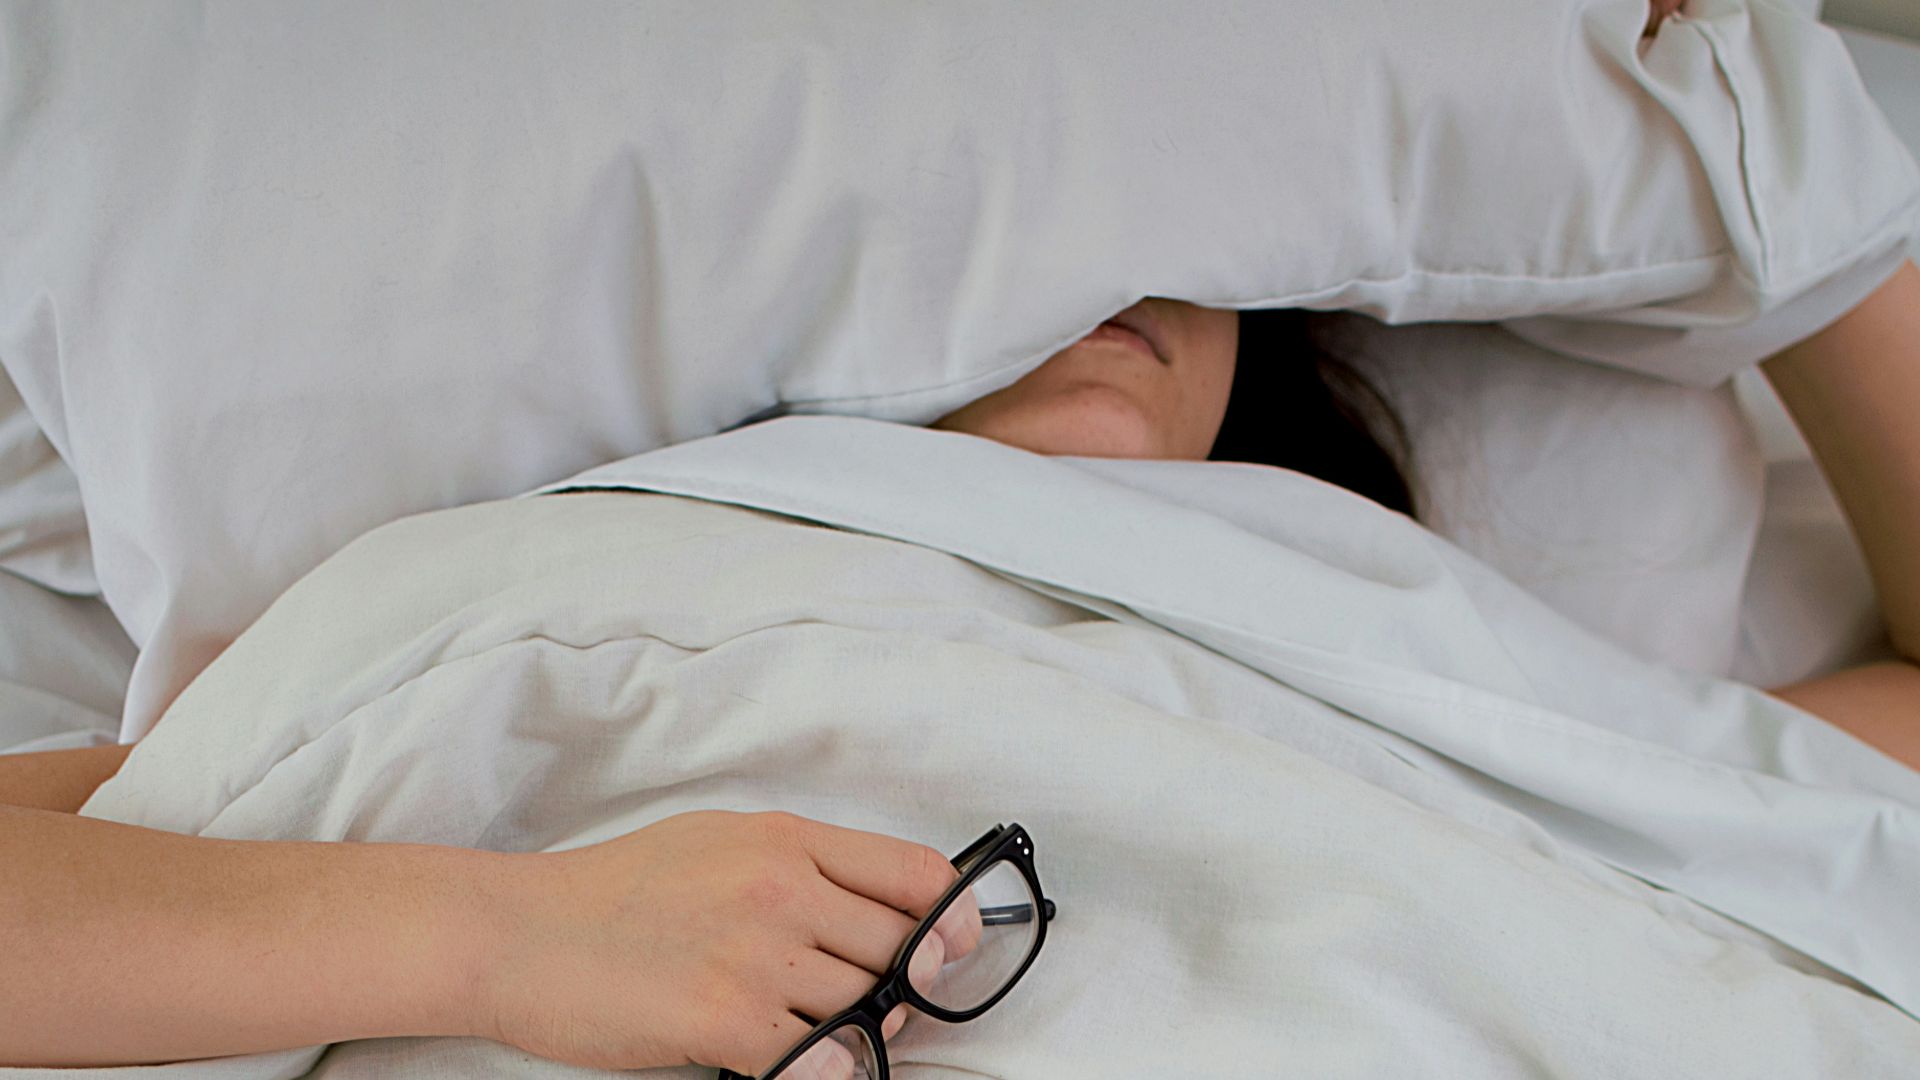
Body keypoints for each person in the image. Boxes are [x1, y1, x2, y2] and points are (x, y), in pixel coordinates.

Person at [2, 260, 1917, 1075]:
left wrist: (1764, 158)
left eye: (1186, 235)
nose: (1119, 278)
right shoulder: (572, 594)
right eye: (1020, 225)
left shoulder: (1410, 658)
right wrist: (507, 937)